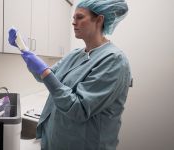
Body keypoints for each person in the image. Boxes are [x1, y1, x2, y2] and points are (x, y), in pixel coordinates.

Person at [9, 0, 131, 149]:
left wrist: (44, 71)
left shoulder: (114, 60)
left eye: (79, 17)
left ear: (99, 20)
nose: (74, 22)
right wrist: (24, 51)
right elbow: (47, 77)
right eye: (73, 18)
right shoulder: (75, 54)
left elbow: (78, 108)